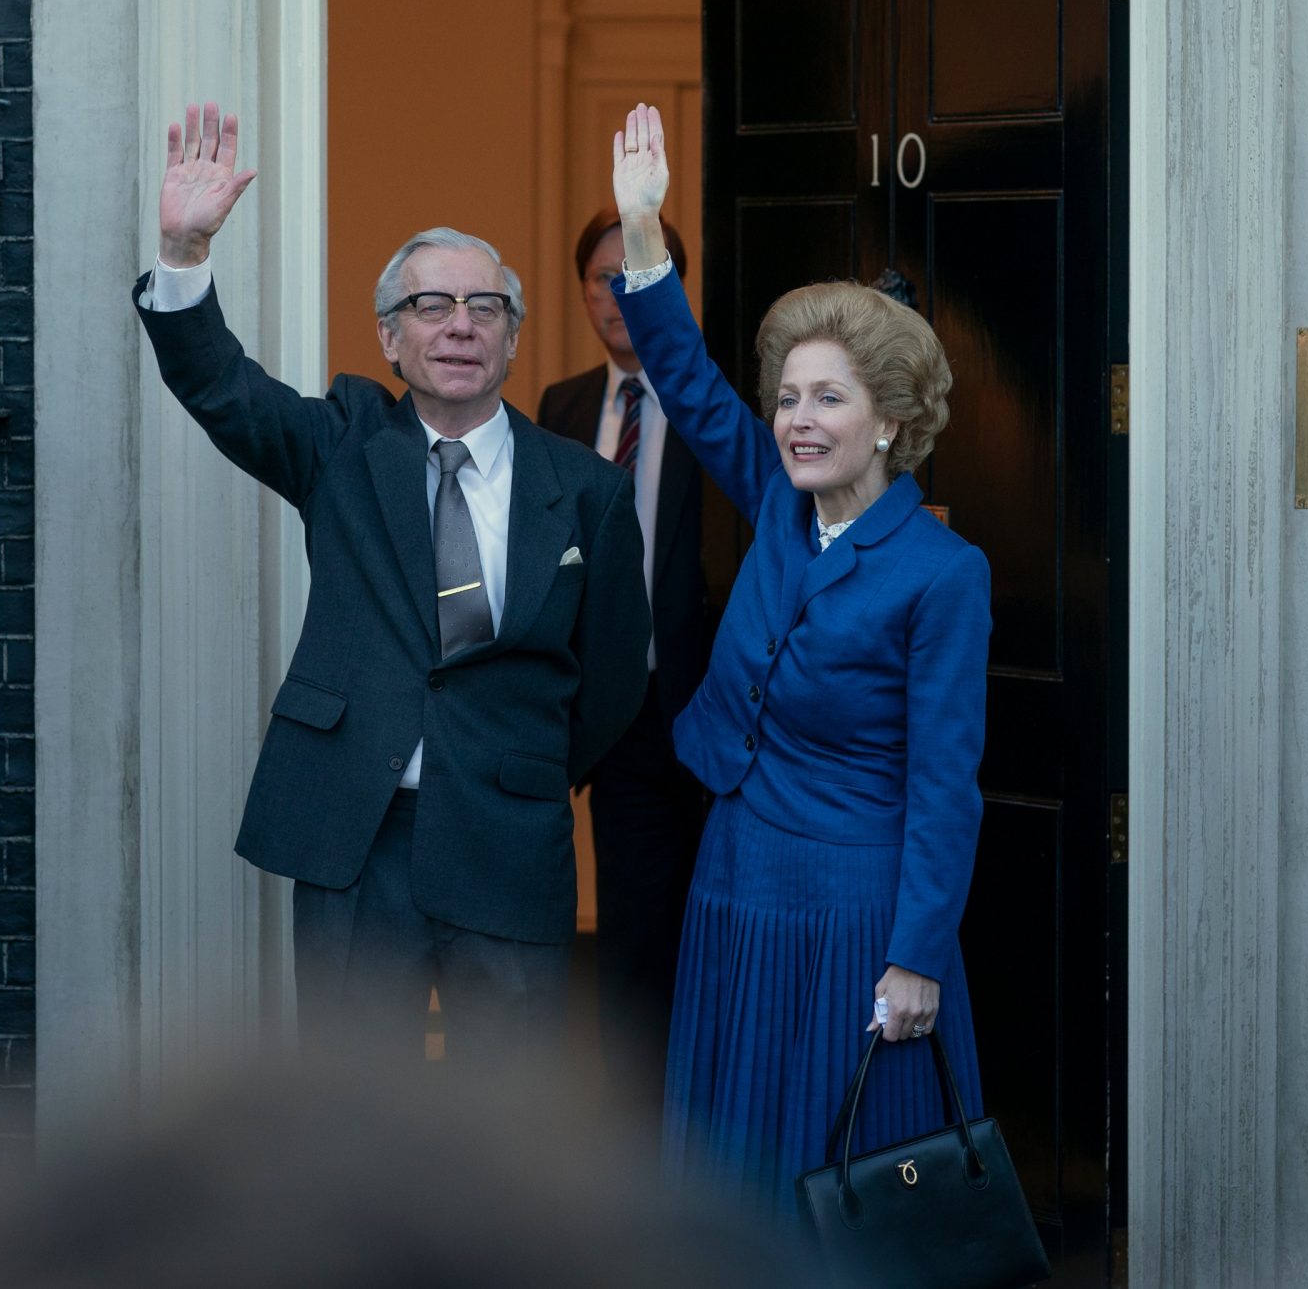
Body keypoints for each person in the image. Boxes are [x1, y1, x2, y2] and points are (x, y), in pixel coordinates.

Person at [136, 103, 651, 1060]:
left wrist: (520, 759)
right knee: (347, 1111)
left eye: (484, 306)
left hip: (507, 834)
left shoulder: (584, 489)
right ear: (389, 338)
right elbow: (220, 387)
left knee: (509, 1125)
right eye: (431, 305)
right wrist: (182, 250)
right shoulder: (342, 444)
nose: (459, 325)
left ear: (511, 338)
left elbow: (614, 677)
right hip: (354, 837)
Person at [604, 102, 994, 1213]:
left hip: (854, 912)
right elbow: (682, 374)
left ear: (888, 421)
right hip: (736, 879)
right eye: (787, 397)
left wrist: (917, 954)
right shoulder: (778, 504)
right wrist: (643, 227)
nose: (796, 419)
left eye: (829, 397)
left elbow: (944, 783)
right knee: (736, 1160)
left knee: (841, 1169)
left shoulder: (940, 571)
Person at [535, 208, 715, 1097]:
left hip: (716, 710)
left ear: (671, 290)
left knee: (713, 930)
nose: (615, 292)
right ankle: (636, 1131)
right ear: (580, 291)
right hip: (615, 715)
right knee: (632, 934)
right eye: (601, 275)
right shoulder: (561, 408)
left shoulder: (721, 408)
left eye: (636, 273)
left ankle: (712, 1122)